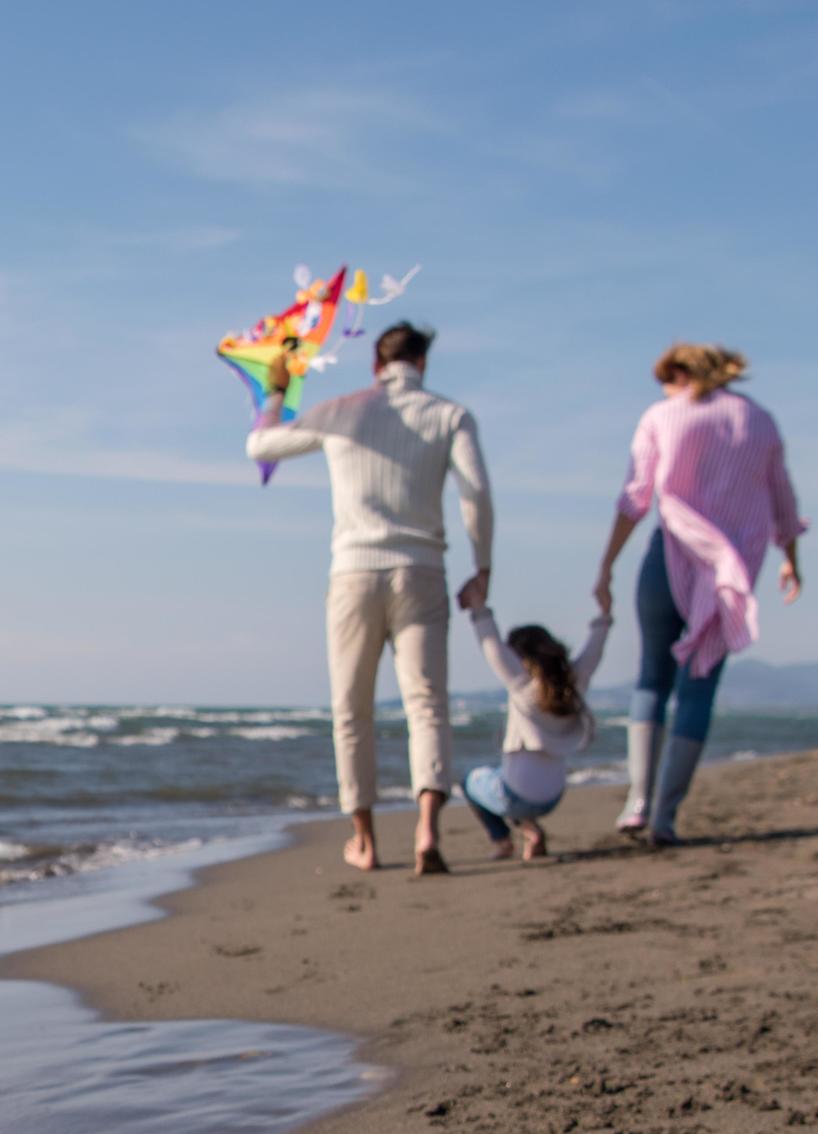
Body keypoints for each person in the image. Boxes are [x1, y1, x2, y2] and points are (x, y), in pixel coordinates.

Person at [247, 321, 495, 876]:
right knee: (427, 704)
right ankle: (427, 830)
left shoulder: (344, 409)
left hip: (353, 571)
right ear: (422, 364)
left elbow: (260, 445)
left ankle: (364, 839)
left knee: (350, 710)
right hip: (422, 568)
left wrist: (277, 389)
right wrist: (483, 566)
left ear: (375, 366)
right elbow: (475, 493)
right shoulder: (450, 415)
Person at [591, 342, 808, 844]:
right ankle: (666, 815)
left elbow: (635, 497)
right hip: (730, 569)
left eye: (666, 379)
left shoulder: (664, 416)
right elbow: (783, 499)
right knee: (699, 684)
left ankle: (637, 803)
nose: (663, 390)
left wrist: (606, 564)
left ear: (682, 374)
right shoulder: (760, 421)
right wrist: (792, 561)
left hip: (671, 555)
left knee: (652, 678)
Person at [458, 606, 610, 861]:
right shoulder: (574, 687)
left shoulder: (523, 688)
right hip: (554, 796)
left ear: (519, 657)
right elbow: (595, 648)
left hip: (516, 797)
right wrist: (604, 615)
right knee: (501, 780)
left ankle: (507, 840)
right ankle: (529, 829)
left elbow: (492, 646)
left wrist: (479, 609)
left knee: (470, 781)